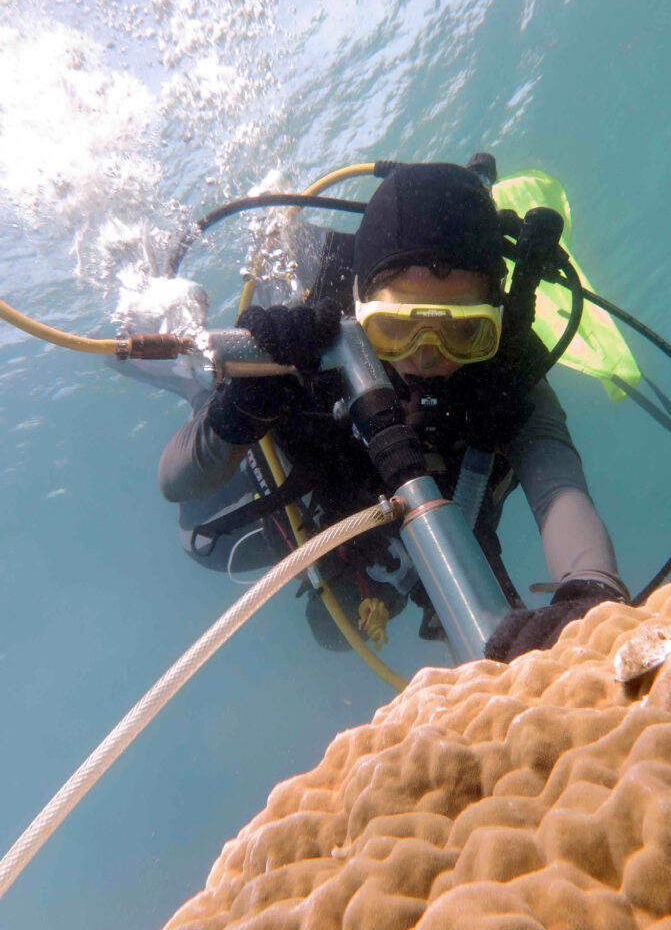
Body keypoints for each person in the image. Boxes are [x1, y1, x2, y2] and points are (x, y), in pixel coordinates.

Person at [158, 162, 629, 661]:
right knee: (208, 546)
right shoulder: (313, 346)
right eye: (396, 329)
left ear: (494, 323)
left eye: (463, 332)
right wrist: (243, 409)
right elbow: (176, 484)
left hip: (400, 550)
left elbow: (559, 488)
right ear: (359, 306)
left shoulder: (509, 376)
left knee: (350, 628)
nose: (426, 359)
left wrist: (591, 594)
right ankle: (197, 387)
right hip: (281, 504)